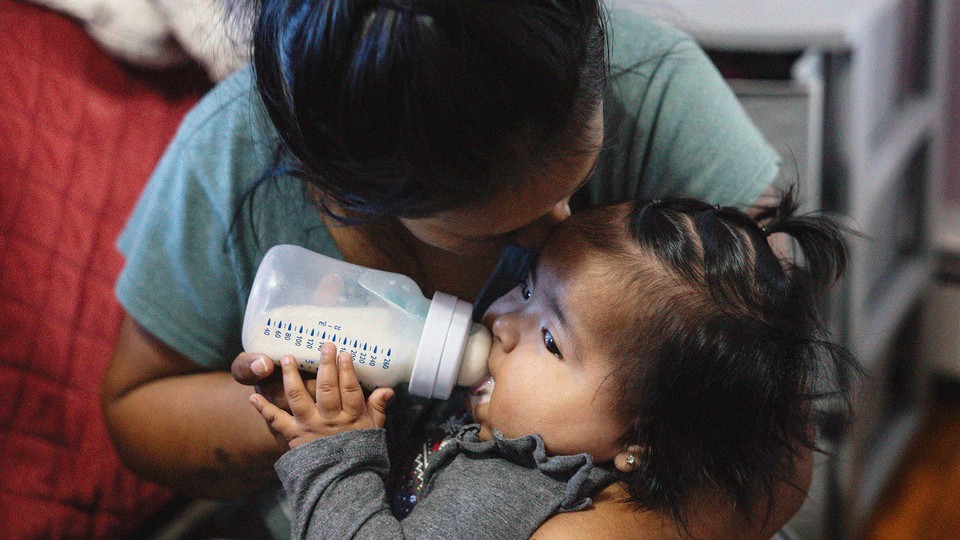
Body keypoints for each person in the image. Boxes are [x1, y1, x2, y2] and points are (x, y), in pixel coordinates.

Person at [101, 0, 801, 537]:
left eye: (576, 178)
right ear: (346, 192)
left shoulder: (649, 84)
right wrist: (306, 423)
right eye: (502, 232)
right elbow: (137, 412)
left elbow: (778, 421)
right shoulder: (226, 158)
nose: (556, 229)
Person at [249, 195, 856, 540]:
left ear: (639, 435)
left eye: (550, 338)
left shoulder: (521, 500)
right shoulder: (527, 452)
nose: (503, 320)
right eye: (528, 285)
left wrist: (333, 453)